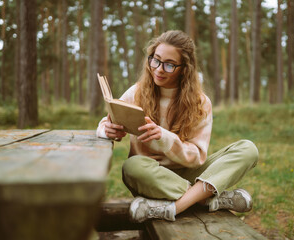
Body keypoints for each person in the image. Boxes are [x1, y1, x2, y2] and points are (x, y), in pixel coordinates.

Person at [96, 30, 258, 223]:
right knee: (132, 166)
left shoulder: (200, 102)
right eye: (155, 60)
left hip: (191, 172)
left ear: (185, 68)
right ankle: (205, 198)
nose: (158, 69)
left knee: (248, 149)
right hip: (153, 175)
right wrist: (106, 130)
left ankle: (175, 207)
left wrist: (164, 138)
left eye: (169, 65)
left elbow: (197, 157)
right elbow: (105, 123)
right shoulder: (137, 92)